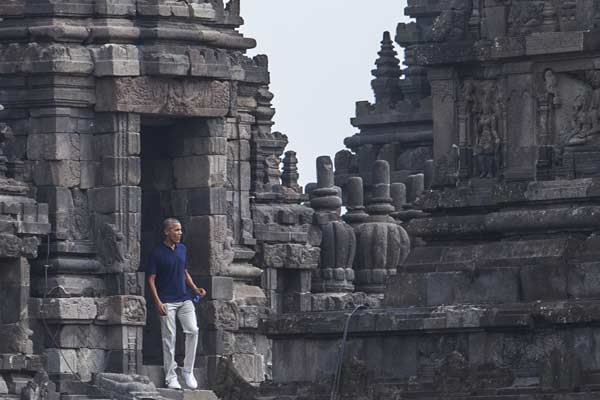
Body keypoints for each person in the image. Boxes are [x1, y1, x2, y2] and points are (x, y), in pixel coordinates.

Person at [147, 218, 207, 390]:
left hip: (184, 297)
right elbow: (151, 279)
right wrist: (157, 301)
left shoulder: (182, 249)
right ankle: (171, 377)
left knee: (193, 330)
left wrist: (195, 289)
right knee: (169, 339)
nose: (180, 233)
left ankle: (187, 370)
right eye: (176, 230)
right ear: (167, 232)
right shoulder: (157, 253)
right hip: (166, 301)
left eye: (181, 230)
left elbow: (184, 271)